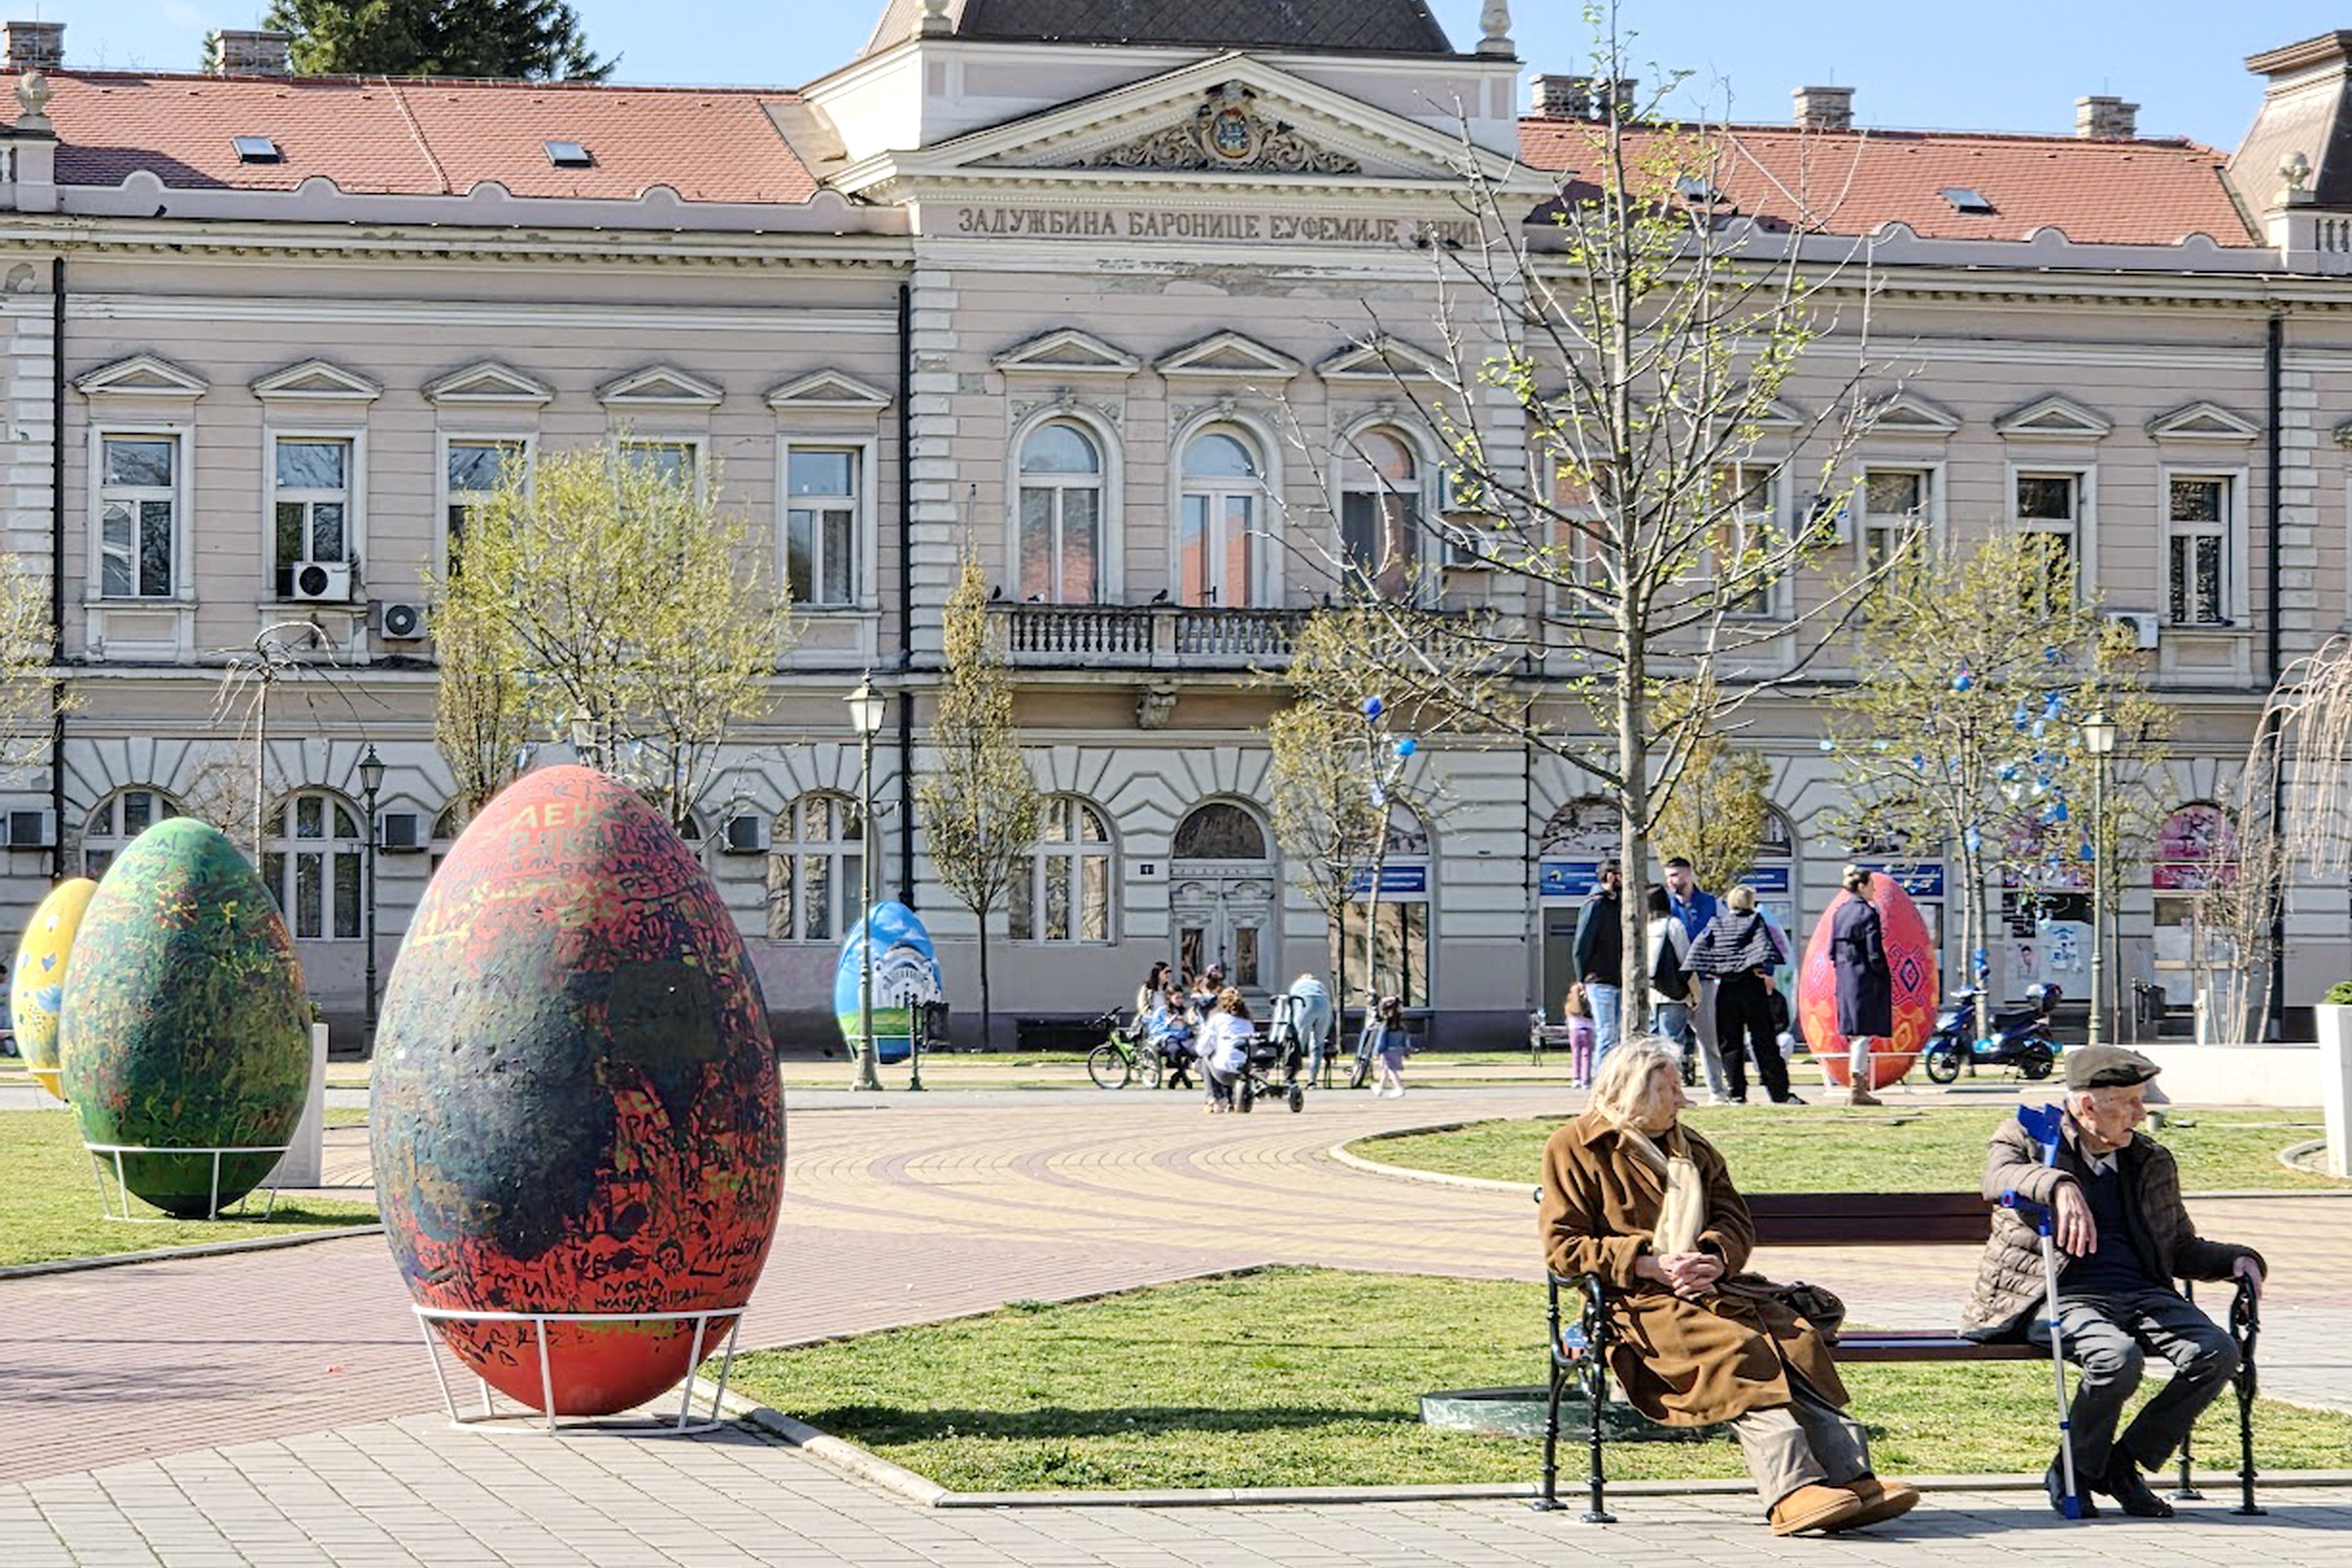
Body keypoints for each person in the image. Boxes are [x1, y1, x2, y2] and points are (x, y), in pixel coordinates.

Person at [1539, 1038, 1919, 1536]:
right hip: (1635, 1303)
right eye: (1668, 1089)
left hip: (1712, 1291)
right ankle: (1792, 1491)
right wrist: (1648, 1264)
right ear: (1632, 1092)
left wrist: (1715, 1259)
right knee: (1736, 1348)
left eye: (1679, 1086)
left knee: (1790, 1338)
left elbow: (1733, 1220)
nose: (1682, 1098)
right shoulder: (1574, 1146)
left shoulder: (1691, 1147)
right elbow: (1563, 1249)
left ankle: (1851, 1477)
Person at [1961, 1045, 2265, 1519]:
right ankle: (2074, 1472)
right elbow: (1996, 1176)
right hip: (2055, 1293)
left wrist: (2239, 1260)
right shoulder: (2028, 1136)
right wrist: (2058, 1184)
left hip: (2143, 1293)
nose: (2141, 1114)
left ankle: (2121, 1466)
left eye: (2141, 1100)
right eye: (2128, 1102)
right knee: (2116, 1357)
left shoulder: (2149, 1159)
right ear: (2086, 1105)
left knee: (2217, 1351)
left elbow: (2179, 1247)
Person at [1686, 886, 1800, 1104]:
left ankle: (1736, 1092)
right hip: (1752, 987)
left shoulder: (1718, 923)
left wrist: (1712, 968)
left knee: (1730, 1043)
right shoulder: (1756, 921)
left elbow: (1698, 950)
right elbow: (1764, 950)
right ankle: (1778, 1092)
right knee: (1764, 1041)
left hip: (1727, 988)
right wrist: (1765, 970)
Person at [1663, 857, 1729, 1103]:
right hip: (1674, 982)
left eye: (1676, 875)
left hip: (1704, 980)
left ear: (1689, 874)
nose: (1672, 881)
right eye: (1669, 876)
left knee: (1708, 1038)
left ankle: (1717, 1090)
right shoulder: (1665, 906)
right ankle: (1673, 1094)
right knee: (1671, 1042)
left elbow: (1726, 934)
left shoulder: (1711, 904)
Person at [1828, 865, 1892, 1108]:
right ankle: (1858, 1085)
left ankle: (1857, 1083)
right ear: (1862, 886)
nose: (1874, 891)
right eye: (1872, 886)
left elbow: (1831, 950)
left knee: (1854, 1033)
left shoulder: (1840, 912)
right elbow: (1874, 951)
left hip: (1845, 977)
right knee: (1863, 1034)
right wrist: (1884, 976)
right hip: (1865, 978)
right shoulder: (1868, 913)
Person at [1572, 862, 1625, 1069]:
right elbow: (1581, 942)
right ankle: (1600, 1080)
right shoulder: (1595, 904)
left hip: (1619, 977)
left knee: (1617, 1033)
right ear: (1611, 877)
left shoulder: (1620, 903)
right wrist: (1581, 976)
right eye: (1621, 875)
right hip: (1599, 978)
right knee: (1606, 1032)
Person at [1645, 885, 1694, 1049]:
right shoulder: (1673, 925)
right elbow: (1686, 959)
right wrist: (1695, 992)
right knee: (1672, 1042)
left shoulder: (1640, 927)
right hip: (1671, 991)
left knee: (1650, 1042)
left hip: (1648, 991)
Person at [1196, 988, 1252, 1113]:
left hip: (1223, 1071)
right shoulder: (1247, 1022)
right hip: (1244, 1069)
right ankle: (1229, 1100)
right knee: (1228, 1057)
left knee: (1207, 1058)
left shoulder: (1218, 1020)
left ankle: (1213, 1099)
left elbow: (1202, 1048)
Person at [1366, 994, 1408, 1098]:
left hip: (1387, 1051)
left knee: (1390, 1069)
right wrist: (1406, 1050)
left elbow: (1381, 1040)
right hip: (1398, 1050)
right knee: (1385, 1069)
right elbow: (1406, 1039)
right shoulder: (1401, 1025)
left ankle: (1399, 1087)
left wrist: (1376, 1051)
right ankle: (1380, 1087)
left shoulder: (1385, 1025)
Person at [1563, 982, 1597, 1090]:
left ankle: (1576, 1078)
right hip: (1588, 1030)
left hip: (1574, 1030)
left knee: (1576, 1055)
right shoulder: (1587, 1003)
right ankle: (1585, 1080)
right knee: (1586, 1056)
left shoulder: (1569, 1004)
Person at [1134, 960, 1170, 1026]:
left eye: (1170, 972)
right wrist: (1152, 1017)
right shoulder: (1146, 988)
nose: (1168, 975)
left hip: (1164, 1021)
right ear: (1158, 973)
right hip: (1150, 1021)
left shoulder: (1168, 989)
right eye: (1166, 972)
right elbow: (1142, 1005)